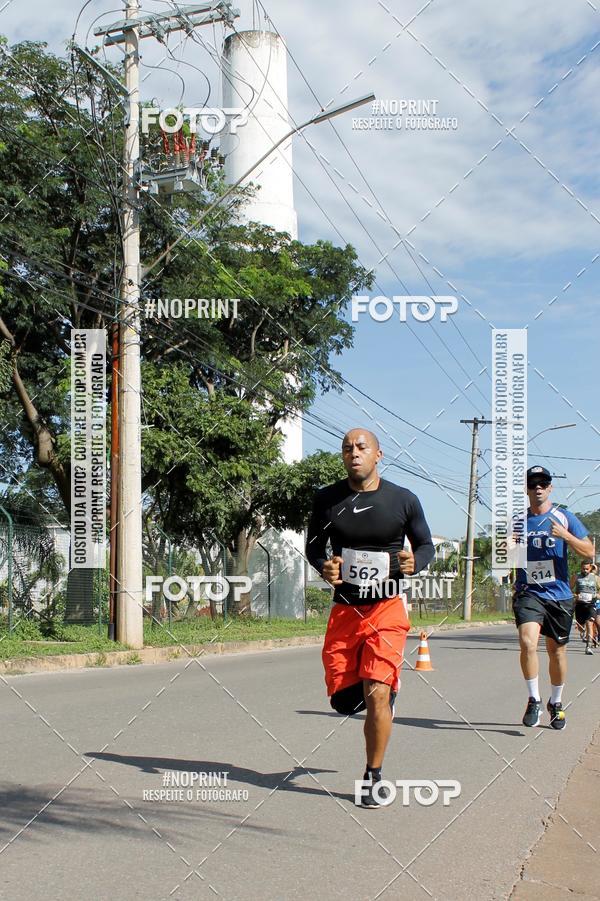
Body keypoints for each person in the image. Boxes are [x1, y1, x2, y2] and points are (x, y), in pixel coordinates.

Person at [306, 428, 434, 807]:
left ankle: (373, 774)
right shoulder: (327, 500)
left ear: (378, 454)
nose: (354, 453)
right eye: (347, 448)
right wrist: (324, 566)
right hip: (346, 610)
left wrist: (415, 562)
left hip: (387, 607)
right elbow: (313, 547)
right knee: (345, 702)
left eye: (362, 447)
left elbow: (426, 545)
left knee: (376, 692)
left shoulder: (403, 500)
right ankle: (385, 693)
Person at [513, 466, 594, 730]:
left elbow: (589, 552)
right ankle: (534, 699)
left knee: (556, 651)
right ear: (526, 489)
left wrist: (566, 535)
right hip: (529, 592)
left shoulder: (564, 516)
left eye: (542, 483)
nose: (537, 487)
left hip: (559, 595)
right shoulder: (517, 521)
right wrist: (508, 547)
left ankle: (556, 703)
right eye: (532, 483)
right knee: (528, 642)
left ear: (550, 487)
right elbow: (503, 558)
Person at [571, 560, 597, 655]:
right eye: (583, 569)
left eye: (587, 569)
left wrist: (596, 595)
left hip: (591, 604)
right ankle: (582, 631)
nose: (585, 570)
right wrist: (575, 595)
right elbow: (569, 589)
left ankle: (588, 647)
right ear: (581, 568)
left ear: (590, 568)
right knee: (581, 627)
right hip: (580, 604)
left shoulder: (595, 578)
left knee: (590, 623)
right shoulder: (576, 576)